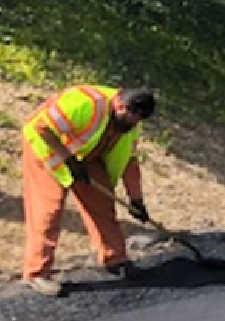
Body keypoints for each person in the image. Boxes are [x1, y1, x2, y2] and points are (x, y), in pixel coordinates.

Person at [21, 85, 156, 296]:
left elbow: (130, 162)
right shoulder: (85, 103)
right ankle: (37, 273)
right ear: (120, 105)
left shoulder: (130, 125)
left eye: (139, 120)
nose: (134, 123)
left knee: (102, 204)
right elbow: (41, 127)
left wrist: (136, 200)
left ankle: (116, 259)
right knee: (48, 211)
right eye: (132, 117)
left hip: (85, 154)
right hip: (47, 151)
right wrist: (68, 159)